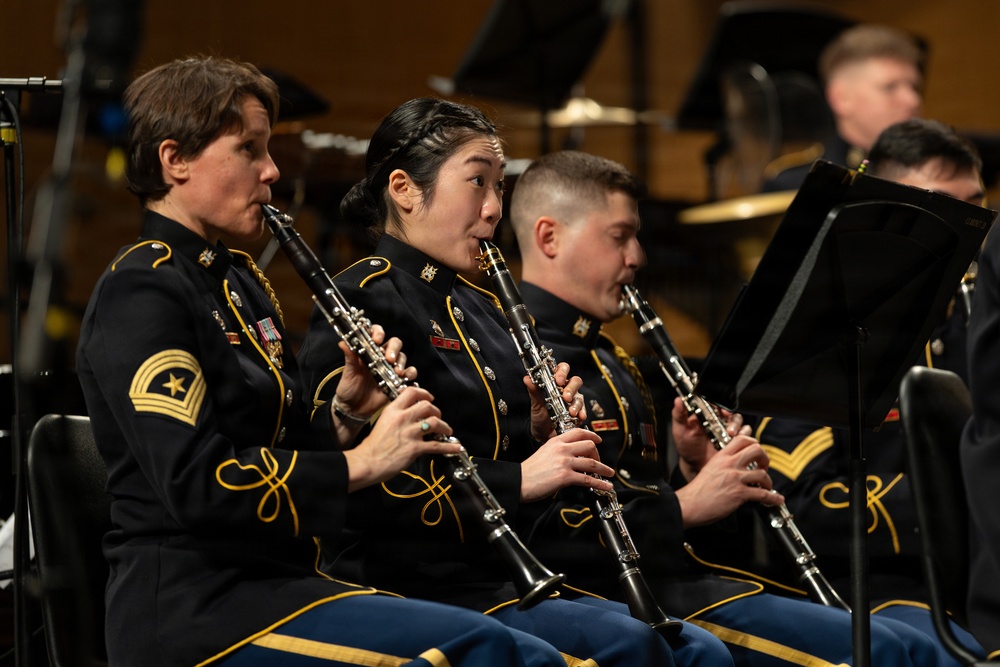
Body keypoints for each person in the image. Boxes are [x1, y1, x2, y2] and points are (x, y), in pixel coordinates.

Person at [75, 56, 572, 667]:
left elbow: (274, 443)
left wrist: (344, 416)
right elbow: (199, 485)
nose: (272, 170)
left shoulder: (240, 282)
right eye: (249, 149)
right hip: (195, 609)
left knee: (528, 654)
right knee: (480, 649)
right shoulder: (141, 288)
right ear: (174, 160)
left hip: (278, 584)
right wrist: (363, 462)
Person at [297, 97, 735, 666]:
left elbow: (502, 456)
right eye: (477, 181)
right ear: (403, 189)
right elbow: (367, 481)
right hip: (412, 580)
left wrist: (539, 432)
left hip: (505, 572)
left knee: (697, 652)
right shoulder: (360, 296)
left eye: (499, 186)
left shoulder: (485, 309)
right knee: (641, 649)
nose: (493, 209)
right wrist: (522, 478)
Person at [508, 148, 958, 666]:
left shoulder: (613, 358)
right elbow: (547, 525)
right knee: (880, 649)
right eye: (619, 236)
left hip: (675, 579)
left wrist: (692, 469)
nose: (637, 257)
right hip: (604, 595)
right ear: (549, 238)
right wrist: (685, 505)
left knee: (904, 644)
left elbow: (629, 496)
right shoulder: (517, 357)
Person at [751, 119, 987, 662]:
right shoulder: (823, 332)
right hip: (883, 583)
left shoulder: (980, 320)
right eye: (950, 212)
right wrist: (963, 498)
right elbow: (807, 503)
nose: (971, 238)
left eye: (977, 212)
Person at [762, 23, 923, 192]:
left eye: (914, 87)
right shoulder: (797, 186)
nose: (913, 100)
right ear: (842, 99)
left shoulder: (934, 172)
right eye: (890, 87)